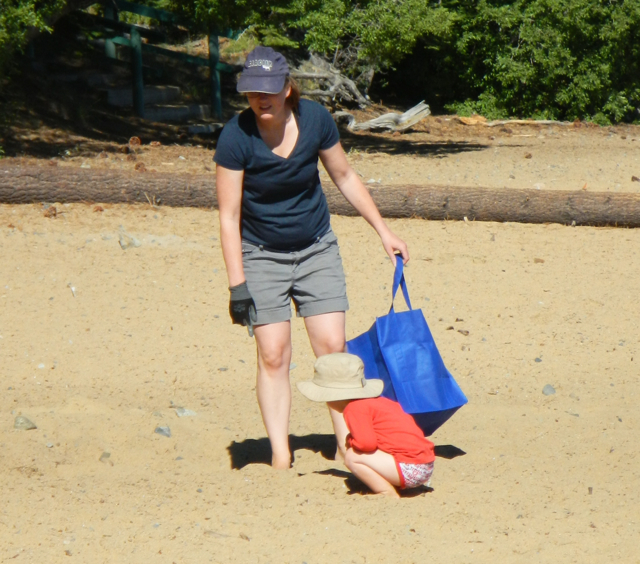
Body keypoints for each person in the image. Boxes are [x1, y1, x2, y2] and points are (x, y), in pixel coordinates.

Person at [214, 45, 409, 469]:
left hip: (316, 247)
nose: (260, 100)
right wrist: (238, 286)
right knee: (273, 353)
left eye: (268, 90)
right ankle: (281, 456)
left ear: (287, 88)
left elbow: (344, 175)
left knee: (332, 348)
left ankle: (349, 448)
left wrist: (384, 231)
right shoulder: (235, 137)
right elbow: (229, 218)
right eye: (252, 92)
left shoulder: (316, 120)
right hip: (261, 253)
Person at [297, 353, 435, 497]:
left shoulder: (355, 408)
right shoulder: (376, 403)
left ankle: (386, 492)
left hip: (410, 468)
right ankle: (393, 483)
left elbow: (366, 444)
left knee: (352, 457)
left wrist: (351, 441)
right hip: (424, 464)